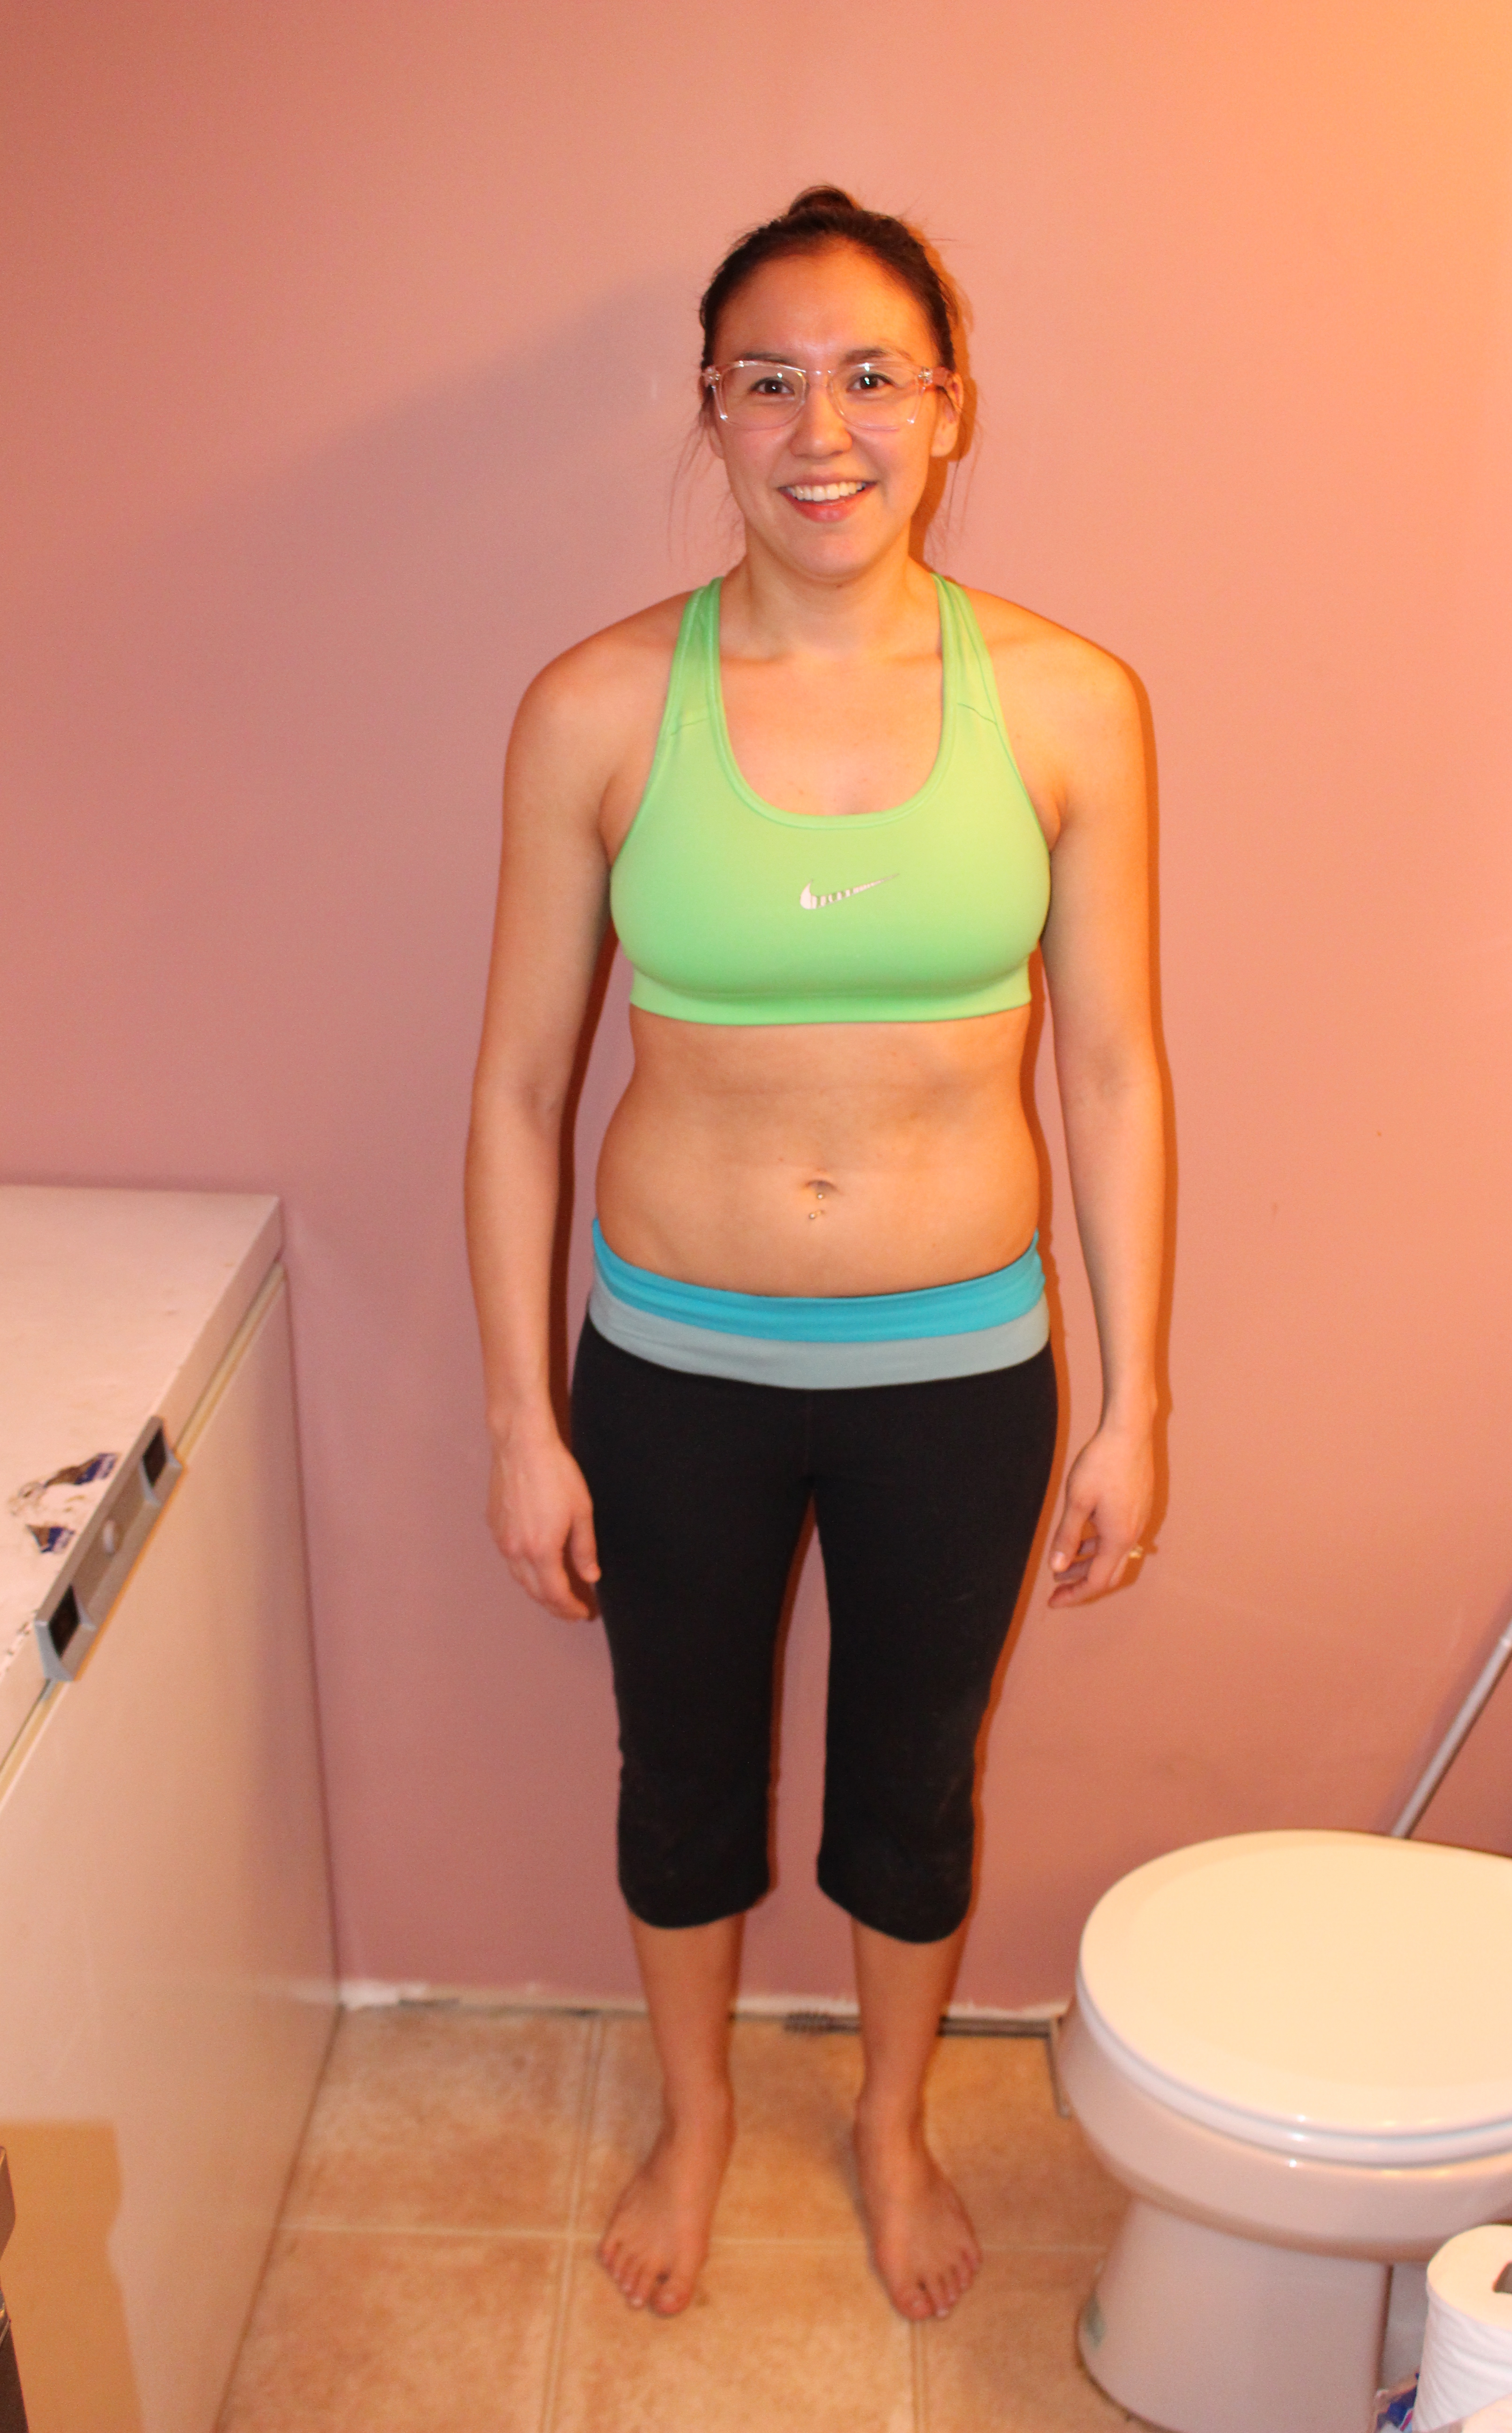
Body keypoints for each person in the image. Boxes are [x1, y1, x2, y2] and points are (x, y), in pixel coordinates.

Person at [465, 187, 1163, 2325]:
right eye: (766, 382)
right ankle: (694, 2118)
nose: (822, 428)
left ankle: (889, 2118)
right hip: (672, 1368)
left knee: (912, 1785)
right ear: (711, 411)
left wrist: (1137, 1399)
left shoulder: (1071, 703)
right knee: (680, 1773)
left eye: (872, 375)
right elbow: (516, 1089)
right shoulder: (598, 707)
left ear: (948, 406)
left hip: (960, 1376)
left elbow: (1114, 1070)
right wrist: (523, 1420)